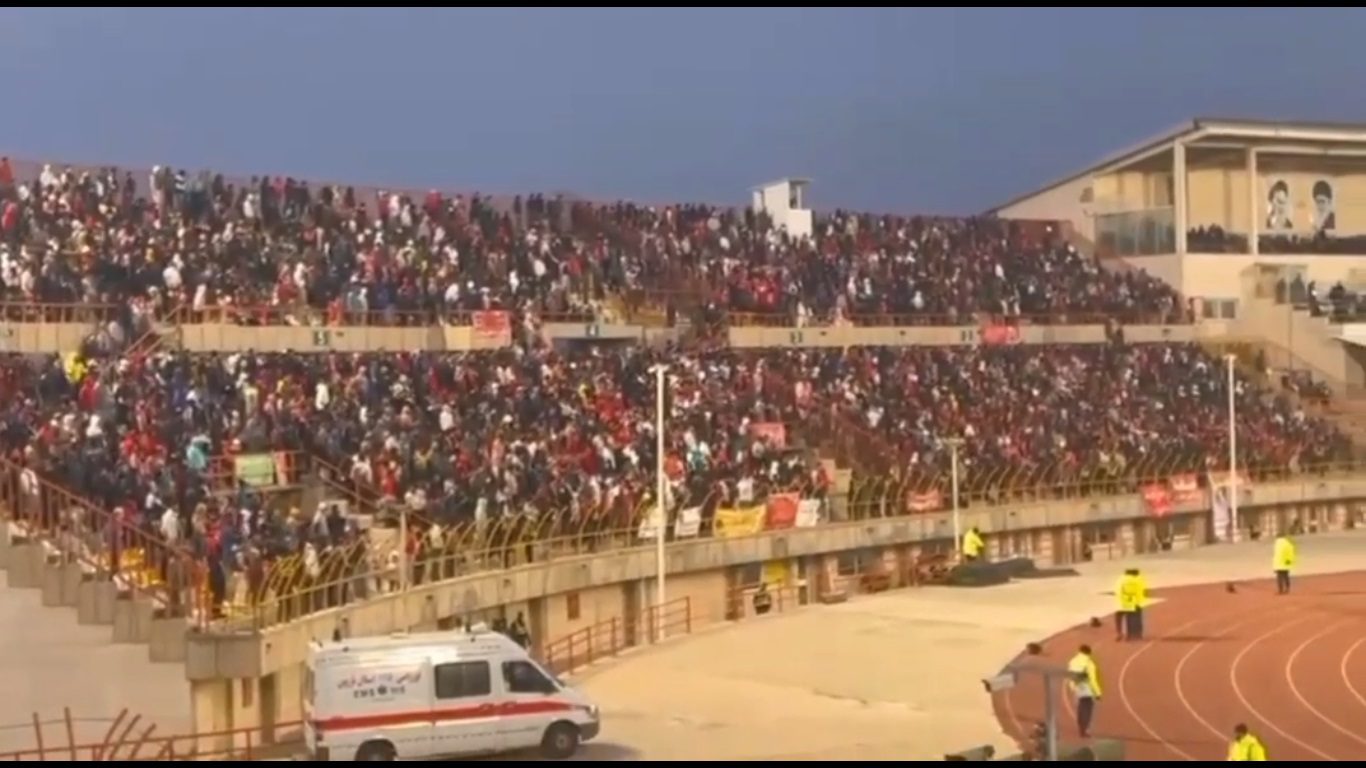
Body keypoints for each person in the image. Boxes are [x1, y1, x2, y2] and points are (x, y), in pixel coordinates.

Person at [1067, 644, 1103, 738]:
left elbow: (1070, 675)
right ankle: (1084, 729)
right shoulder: (1089, 663)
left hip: (1077, 687)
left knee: (1080, 708)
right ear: (1089, 653)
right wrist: (1098, 693)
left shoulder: (1073, 661)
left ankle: (1081, 727)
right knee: (1087, 710)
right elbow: (1092, 679)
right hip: (1087, 689)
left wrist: (1072, 687)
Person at [1115, 568, 1148, 641]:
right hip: (1133, 601)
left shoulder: (1121, 579)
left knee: (1119, 616)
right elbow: (1140, 592)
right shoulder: (1138, 580)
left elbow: (1117, 590)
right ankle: (1134, 634)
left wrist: (1120, 600)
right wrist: (1139, 602)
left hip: (1123, 601)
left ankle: (1119, 633)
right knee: (1134, 618)